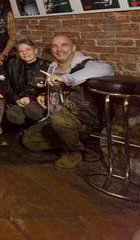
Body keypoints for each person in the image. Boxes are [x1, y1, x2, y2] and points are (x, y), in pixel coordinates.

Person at [22, 35, 114, 169]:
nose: (59, 49)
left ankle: (74, 152)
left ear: (73, 48)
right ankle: (77, 144)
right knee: (29, 140)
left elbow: (107, 69)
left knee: (59, 119)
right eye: (55, 46)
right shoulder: (52, 67)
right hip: (57, 117)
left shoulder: (84, 63)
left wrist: (66, 79)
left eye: (64, 45)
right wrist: (44, 95)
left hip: (82, 119)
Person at [3, 39, 50, 129]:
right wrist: (16, 99)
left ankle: (36, 128)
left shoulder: (47, 66)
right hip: (19, 101)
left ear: (35, 50)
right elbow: (6, 85)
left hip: (37, 102)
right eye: (21, 51)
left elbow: (50, 90)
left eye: (28, 49)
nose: (25, 53)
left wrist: (32, 99)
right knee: (11, 113)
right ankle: (23, 128)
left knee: (31, 109)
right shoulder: (12, 65)